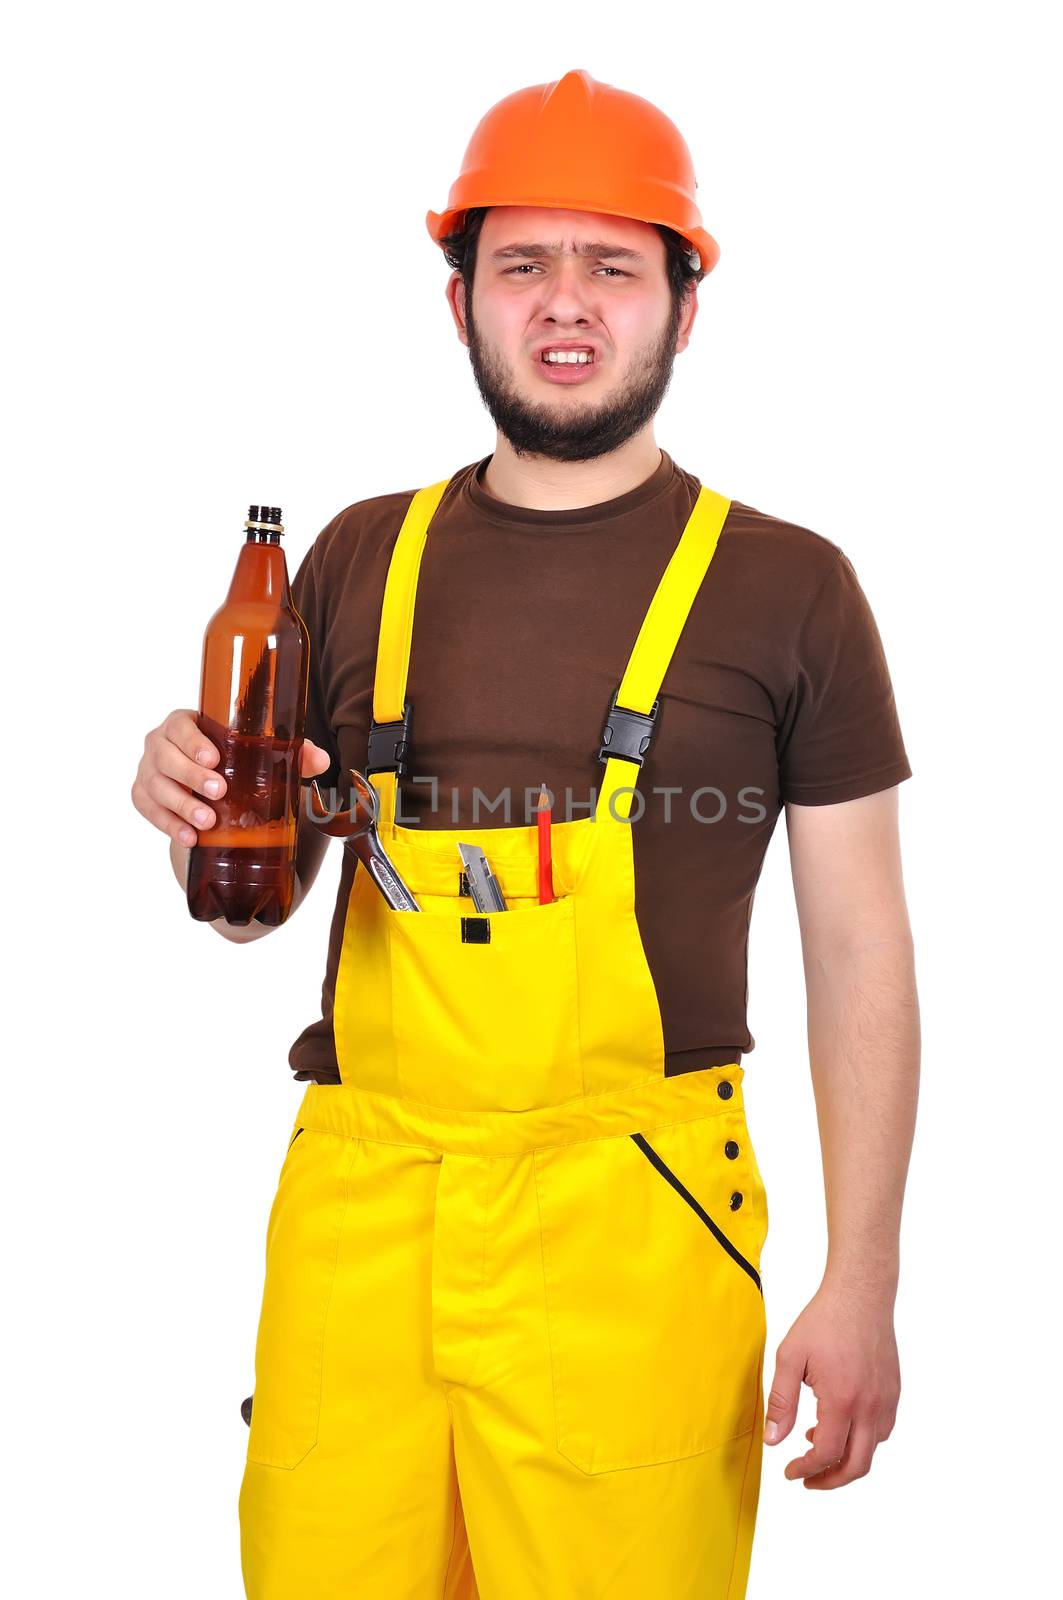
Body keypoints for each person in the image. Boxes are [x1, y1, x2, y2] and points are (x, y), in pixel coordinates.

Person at [132, 68, 919, 1600]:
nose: (567, 301)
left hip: (633, 1226)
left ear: (686, 306)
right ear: (461, 304)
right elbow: (252, 907)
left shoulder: (792, 588)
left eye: (615, 263)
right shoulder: (357, 556)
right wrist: (191, 822)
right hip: (365, 1218)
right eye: (522, 263)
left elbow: (861, 951)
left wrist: (864, 1282)